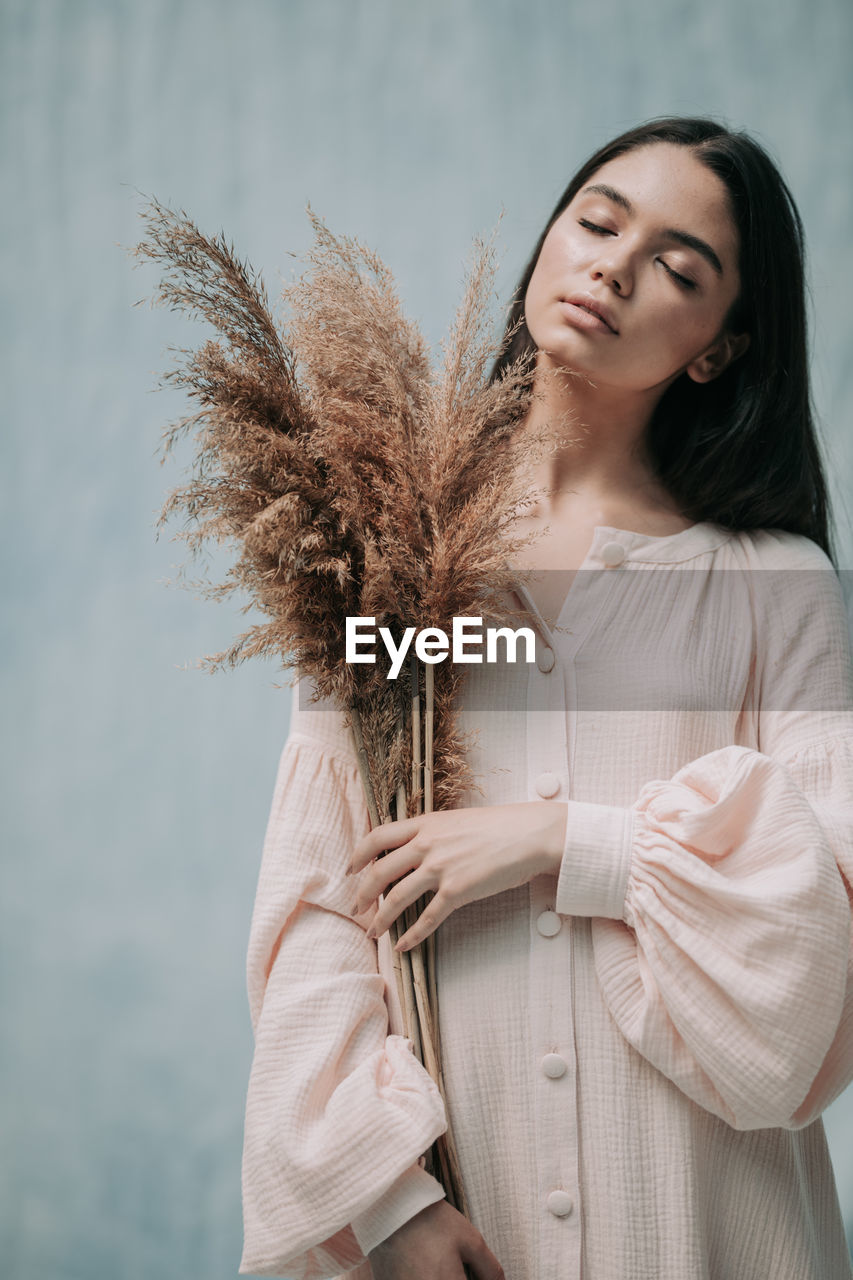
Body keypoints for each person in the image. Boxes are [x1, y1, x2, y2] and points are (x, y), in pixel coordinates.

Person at [238, 117, 853, 1279]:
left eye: (678, 267)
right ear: (547, 245)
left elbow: (822, 940)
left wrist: (562, 842)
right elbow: (315, 901)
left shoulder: (779, 585)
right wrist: (384, 1197)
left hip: (703, 1217)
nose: (614, 266)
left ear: (717, 345)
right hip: (461, 1199)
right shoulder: (381, 554)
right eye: (597, 220)